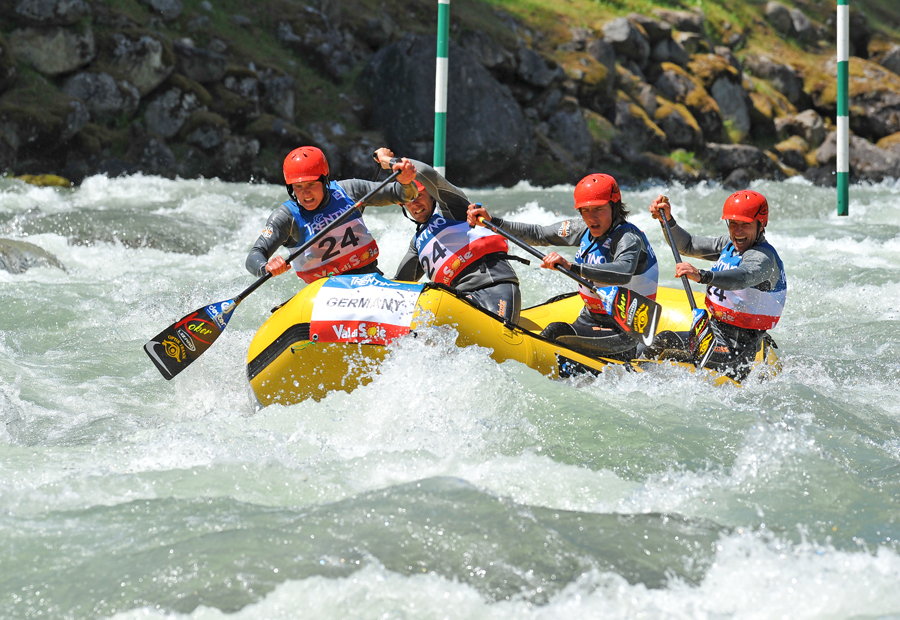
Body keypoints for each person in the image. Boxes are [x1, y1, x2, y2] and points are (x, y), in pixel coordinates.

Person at [467, 173, 659, 360]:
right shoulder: (582, 229)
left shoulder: (628, 238)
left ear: (614, 206)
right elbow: (538, 234)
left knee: (556, 333)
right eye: (585, 210)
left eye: (599, 209)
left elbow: (623, 272)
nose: (591, 217)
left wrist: (572, 267)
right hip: (590, 319)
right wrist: (493, 222)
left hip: (625, 331)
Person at [372, 148, 523, 323]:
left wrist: (390, 161)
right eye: (408, 200)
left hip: (493, 289)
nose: (415, 204)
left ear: (431, 195)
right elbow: (400, 286)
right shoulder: (417, 244)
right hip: (460, 299)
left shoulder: (452, 209)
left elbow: (426, 172)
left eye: (419, 195)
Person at [648, 190, 786, 380]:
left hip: (739, 349)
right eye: (733, 223)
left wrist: (702, 275)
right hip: (715, 330)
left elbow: (743, 277)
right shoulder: (729, 245)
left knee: (684, 358)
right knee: (661, 340)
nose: (737, 231)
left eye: (745, 224)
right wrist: (667, 221)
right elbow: (687, 245)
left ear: (761, 224)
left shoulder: (763, 258)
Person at [245, 146, 418, 282]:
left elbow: (404, 194)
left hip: (367, 279)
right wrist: (266, 267)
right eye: (298, 187)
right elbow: (255, 255)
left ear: (324, 179)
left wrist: (405, 182)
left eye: (311, 185)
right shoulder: (285, 217)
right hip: (324, 294)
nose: (305, 194)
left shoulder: (350, 191)